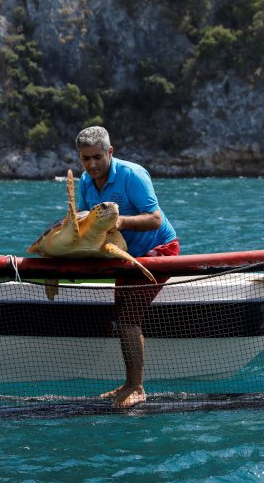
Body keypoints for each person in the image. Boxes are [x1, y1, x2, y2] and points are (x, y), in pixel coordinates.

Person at [75, 126, 179, 408]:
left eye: (98, 157)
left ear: (110, 152)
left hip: (159, 249)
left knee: (128, 317)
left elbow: (155, 218)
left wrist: (120, 222)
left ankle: (136, 387)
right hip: (124, 255)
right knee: (121, 316)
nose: (92, 164)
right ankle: (129, 382)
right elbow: (85, 222)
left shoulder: (133, 175)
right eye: (86, 159)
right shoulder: (85, 182)